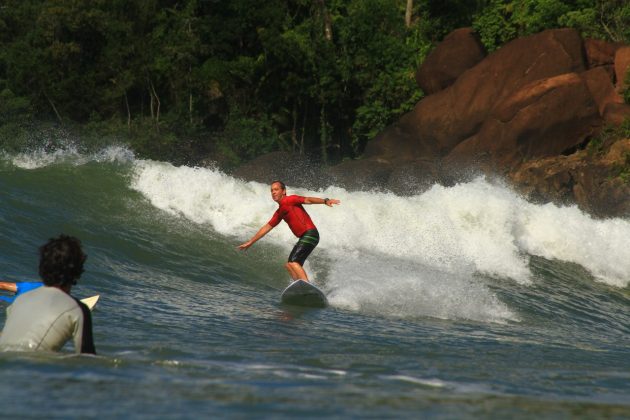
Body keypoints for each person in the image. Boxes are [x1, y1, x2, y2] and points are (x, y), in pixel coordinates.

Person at [0, 235, 96, 354]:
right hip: (29, 368)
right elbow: (87, 360)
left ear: (42, 266)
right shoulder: (78, 309)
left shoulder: (19, 301)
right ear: (78, 270)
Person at [238, 180, 340, 282]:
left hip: (309, 234)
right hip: (306, 237)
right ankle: (298, 285)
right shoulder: (279, 212)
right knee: (289, 265)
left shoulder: (291, 199)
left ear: (284, 191)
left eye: (276, 189)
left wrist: (325, 201)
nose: (273, 192)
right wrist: (251, 242)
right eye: (271, 190)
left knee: (293, 262)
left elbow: (308, 200)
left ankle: (306, 285)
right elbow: (267, 227)